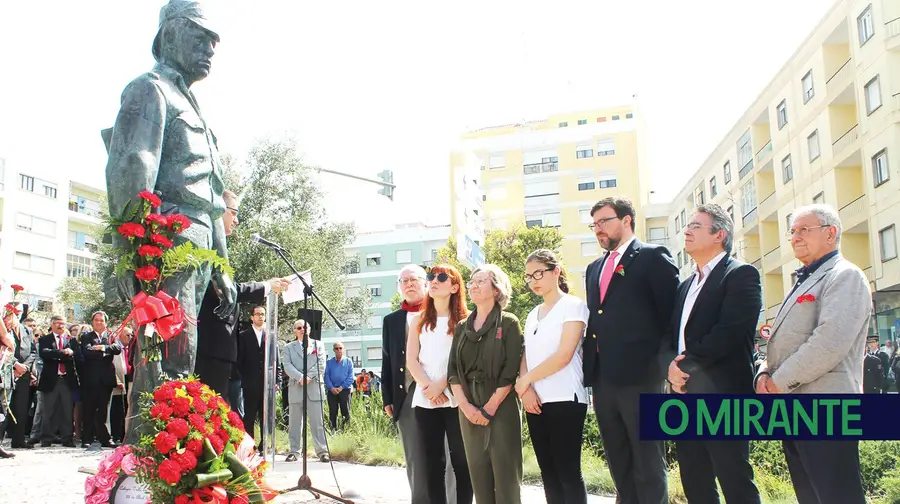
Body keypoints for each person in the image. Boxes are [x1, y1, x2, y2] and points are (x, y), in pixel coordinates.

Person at [103, 0, 239, 443]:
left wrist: (221, 264)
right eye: (200, 37)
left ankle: (169, 453)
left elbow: (212, 196)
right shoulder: (150, 90)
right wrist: (133, 255)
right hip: (166, 238)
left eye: (213, 41)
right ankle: (145, 461)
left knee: (184, 354)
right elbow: (132, 169)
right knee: (163, 355)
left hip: (196, 236)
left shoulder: (192, 103)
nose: (210, 49)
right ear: (169, 35)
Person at [756, 204, 868, 504]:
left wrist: (778, 381)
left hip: (827, 408)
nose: (795, 238)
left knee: (837, 496)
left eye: (804, 230)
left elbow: (829, 343)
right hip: (794, 408)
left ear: (831, 233)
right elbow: (782, 342)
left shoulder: (845, 276)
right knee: (810, 496)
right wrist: (764, 372)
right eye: (792, 231)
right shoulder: (804, 279)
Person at [662, 204, 762, 504]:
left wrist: (684, 366)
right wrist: (669, 369)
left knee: (735, 480)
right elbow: (673, 336)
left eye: (695, 226)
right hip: (684, 394)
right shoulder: (686, 285)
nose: (686, 231)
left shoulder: (740, 274)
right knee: (695, 481)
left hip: (724, 396)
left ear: (719, 234)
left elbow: (729, 332)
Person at [583, 196, 678, 504]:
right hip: (604, 380)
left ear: (626, 220)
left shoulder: (652, 256)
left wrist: (663, 368)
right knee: (618, 460)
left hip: (643, 378)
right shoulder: (594, 268)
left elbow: (671, 318)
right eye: (594, 224)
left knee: (648, 463)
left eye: (604, 221)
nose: (598, 229)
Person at [195, 189, 290, 397]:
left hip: (225, 352)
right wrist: (266, 286)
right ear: (220, 210)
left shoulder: (219, 247)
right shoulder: (207, 247)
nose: (236, 220)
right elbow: (228, 290)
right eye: (234, 213)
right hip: (211, 349)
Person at [514, 250, 589, 504]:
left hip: (566, 396)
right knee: (548, 472)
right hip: (535, 401)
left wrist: (525, 381)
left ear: (555, 271)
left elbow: (564, 355)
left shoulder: (573, 305)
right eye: (529, 276)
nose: (534, 280)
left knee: (567, 472)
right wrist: (526, 388)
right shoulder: (532, 314)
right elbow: (525, 354)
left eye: (539, 273)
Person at [448, 264, 524, 504]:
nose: (474, 285)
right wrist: (466, 406)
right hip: (468, 405)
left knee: (506, 477)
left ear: (497, 289)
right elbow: (453, 370)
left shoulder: (509, 323)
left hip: (500, 403)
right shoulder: (462, 326)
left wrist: (490, 407)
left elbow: (510, 370)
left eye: (481, 281)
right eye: (472, 281)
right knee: (478, 475)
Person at [382, 264, 457, 504]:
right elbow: (388, 360)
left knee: (450, 453)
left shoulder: (447, 314)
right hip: (406, 395)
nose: (409, 284)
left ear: (426, 284)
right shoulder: (392, 320)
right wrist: (387, 398)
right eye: (404, 281)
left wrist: (438, 385)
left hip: (447, 390)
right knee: (416, 456)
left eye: (414, 279)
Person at [406, 265, 473, 504]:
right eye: (431, 277)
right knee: (432, 463)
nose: (434, 280)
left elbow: (464, 360)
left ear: (455, 287)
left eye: (442, 277)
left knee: (462, 462)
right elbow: (411, 360)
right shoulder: (417, 320)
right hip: (426, 399)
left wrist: (441, 385)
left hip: (457, 398)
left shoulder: (467, 320)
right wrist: (429, 388)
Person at [282, 319, 329, 463]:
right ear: (295, 331)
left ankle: (322, 451)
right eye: (299, 327)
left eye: (305, 327)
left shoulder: (318, 344)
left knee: (318, 422)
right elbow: (287, 365)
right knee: (295, 422)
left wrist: (309, 377)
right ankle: (294, 451)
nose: (303, 329)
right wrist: (300, 377)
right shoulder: (289, 347)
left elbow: (321, 364)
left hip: (314, 386)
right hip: (296, 387)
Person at [80, 311, 122, 449]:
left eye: (101, 320)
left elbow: (117, 349)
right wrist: (104, 353)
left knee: (103, 410)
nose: (99, 322)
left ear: (106, 322)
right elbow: (87, 352)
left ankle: (105, 438)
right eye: (96, 320)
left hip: (106, 379)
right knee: (89, 409)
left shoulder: (111, 336)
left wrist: (102, 348)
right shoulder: (86, 337)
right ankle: (87, 438)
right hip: (91, 379)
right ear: (92, 322)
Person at [37, 316, 78, 448]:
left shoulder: (70, 340)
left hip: (66, 379)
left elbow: (76, 355)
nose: (60, 326)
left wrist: (69, 353)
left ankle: (67, 439)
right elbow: (45, 353)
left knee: (66, 411)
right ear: (52, 324)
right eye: (57, 323)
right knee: (48, 410)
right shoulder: (45, 339)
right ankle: (47, 438)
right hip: (51, 380)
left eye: (62, 324)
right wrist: (62, 353)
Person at [324, 342, 353, 431]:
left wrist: (341, 387)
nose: (338, 350)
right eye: (336, 348)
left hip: (344, 390)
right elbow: (326, 376)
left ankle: (346, 431)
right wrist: (331, 388)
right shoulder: (329, 362)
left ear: (343, 349)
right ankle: (333, 430)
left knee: (345, 411)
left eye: (340, 348)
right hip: (332, 391)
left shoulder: (348, 361)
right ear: (333, 350)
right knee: (333, 411)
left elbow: (350, 377)